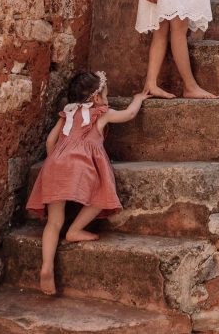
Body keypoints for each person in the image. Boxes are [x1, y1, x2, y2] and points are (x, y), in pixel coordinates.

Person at [26, 71, 150, 295]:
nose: (107, 98)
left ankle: (46, 266)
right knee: (102, 195)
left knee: (54, 221)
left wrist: (55, 162)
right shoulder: (101, 113)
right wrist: (138, 99)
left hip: (55, 164)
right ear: (96, 99)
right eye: (106, 94)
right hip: (81, 165)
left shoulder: (67, 115)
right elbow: (129, 115)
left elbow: (50, 141)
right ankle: (75, 230)